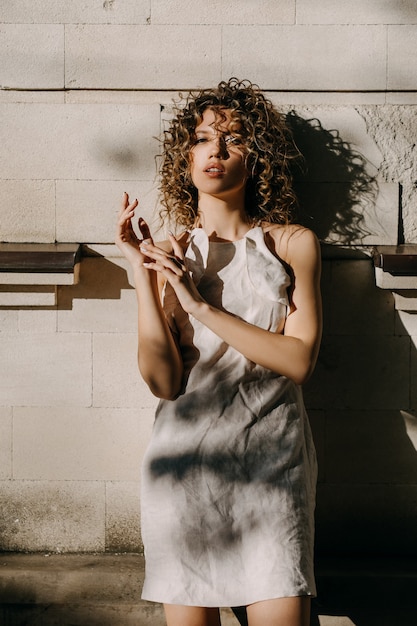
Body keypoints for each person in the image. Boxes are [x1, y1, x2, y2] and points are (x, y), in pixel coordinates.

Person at [115, 78, 322, 626]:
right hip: (183, 471)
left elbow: (298, 362)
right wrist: (142, 275)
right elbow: (162, 382)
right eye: (204, 138)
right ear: (186, 155)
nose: (217, 150)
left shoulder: (291, 244)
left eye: (234, 140)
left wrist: (201, 306)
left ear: (258, 159)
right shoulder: (168, 252)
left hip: (272, 467)